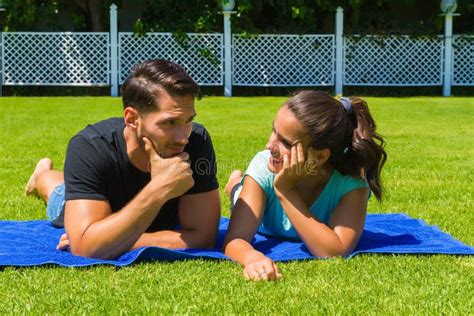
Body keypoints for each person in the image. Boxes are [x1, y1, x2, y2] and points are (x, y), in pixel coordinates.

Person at [25, 59, 221, 260]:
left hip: (111, 224)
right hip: (95, 200)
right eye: (170, 122)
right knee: (58, 194)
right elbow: (87, 250)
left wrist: (115, 240)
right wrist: (160, 188)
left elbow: (203, 237)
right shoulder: (90, 147)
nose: (183, 137)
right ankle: (42, 174)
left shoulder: (196, 141)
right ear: (131, 119)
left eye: (189, 120)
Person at [223, 90, 387, 281]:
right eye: (273, 131)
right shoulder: (263, 166)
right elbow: (235, 239)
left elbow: (336, 250)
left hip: (282, 190)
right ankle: (234, 185)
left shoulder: (351, 185)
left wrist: (285, 190)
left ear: (320, 156)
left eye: (285, 142)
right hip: (258, 203)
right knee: (239, 196)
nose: (269, 145)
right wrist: (252, 257)